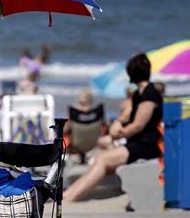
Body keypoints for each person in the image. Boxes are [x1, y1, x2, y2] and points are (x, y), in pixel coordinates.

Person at [65, 54, 162, 202]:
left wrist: (113, 136)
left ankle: (72, 197)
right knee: (100, 159)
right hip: (136, 143)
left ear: (131, 73)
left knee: (103, 159)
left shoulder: (150, 94)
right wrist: (117, 122)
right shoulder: (138, 94)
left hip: (147, 145)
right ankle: (68, 194)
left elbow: (137, 126)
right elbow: (126, 117)